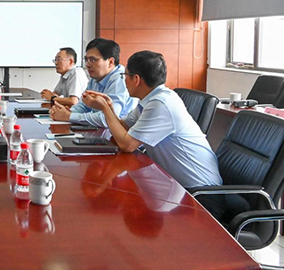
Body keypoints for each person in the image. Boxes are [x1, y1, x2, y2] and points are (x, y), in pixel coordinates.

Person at [80, 50, 224, 218]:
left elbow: (127, 145)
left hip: (201, 195)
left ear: (136, 79)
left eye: (125, 76)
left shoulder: (161, 104)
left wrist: (105, 109)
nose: (124, 81)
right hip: (179, 187)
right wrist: (109, 107)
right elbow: (123, 128)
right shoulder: (149, 100)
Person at [50, 38, 136, 127]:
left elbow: (108, 119)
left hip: (120, 132)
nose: (87, 64)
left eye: (93, 60)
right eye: (86, 59)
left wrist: (69, 116)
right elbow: (84, 105)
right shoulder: (96, 77)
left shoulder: (120, 79)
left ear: (110, 62)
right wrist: (67, 112)